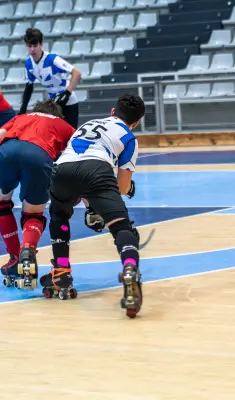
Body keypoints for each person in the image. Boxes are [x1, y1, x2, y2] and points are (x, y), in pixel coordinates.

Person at [42, 93, 146, 319]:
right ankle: (130, 268)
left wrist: (91, 207)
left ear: (112, 112)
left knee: (59, 216)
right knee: (121, 226)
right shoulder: (129, 137)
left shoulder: (88, 124)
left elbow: (79, 166)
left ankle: (61, 271)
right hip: (96, 170)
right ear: (136, 123)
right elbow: (121, 187)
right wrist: (128, 189)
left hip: (62, 169)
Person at [0, 99, 76, 290]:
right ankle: (27, 251)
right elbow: (81, 155)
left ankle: (14, 259)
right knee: (33, 215)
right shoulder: (63, 125)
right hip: (39, 156)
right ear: (58, 115)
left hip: (7, 153)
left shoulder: (20, 118)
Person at [19, 28, 82, 129]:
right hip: (53, 105)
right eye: (30, 46)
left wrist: (67, 93)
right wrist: (23, 107)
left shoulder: (52, 59)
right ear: (26, 46)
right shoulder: (29, 64)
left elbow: (77, 73)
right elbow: (29, 85)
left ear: (41, 45)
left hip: (69, 103)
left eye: (35, 46)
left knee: (70, 135)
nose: (32, 50)